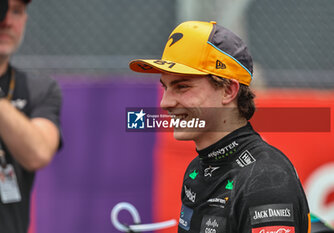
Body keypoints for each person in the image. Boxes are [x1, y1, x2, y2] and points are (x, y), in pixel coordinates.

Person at [129, 21, 311, 232]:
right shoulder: (198, 169)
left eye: (182, 87)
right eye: (166, 87)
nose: (165, 103)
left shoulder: (265, 179)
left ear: (228, 91)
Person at [0, 0, 62, 232]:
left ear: (25, 19)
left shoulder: (39, 89)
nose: (6, 22)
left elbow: (37, 154)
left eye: (17, 11)